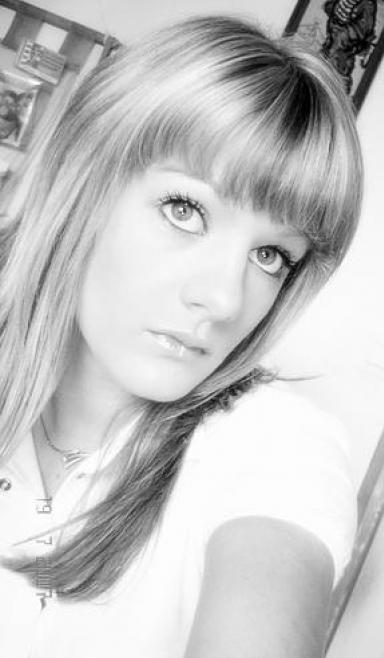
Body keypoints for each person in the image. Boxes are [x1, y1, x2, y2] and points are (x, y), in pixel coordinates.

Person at [0, 14, 362, 658]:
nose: (224, 300)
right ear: (82, 179)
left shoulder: (275, 443)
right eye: (185, 210)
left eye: (272, 255)